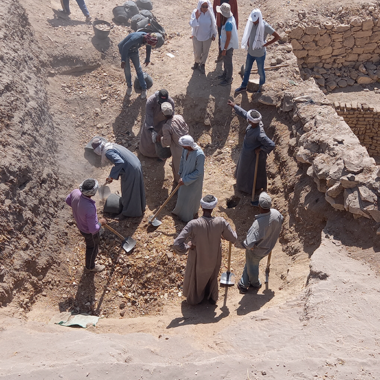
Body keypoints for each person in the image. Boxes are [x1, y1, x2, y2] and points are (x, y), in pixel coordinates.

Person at [173, 195, 237, 305]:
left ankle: (195, 300)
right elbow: (234, 238)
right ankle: (211, 297)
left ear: (202, 207)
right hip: (214, 258)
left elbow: (177, 243)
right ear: (213, 207)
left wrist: (187, 247)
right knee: (212, 276)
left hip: (198, 259)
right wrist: (222, 234)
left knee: (196, 278)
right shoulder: (221, 222)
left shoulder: (193, 224)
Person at [228, 100, 275, 199]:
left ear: (250, 121)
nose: (247, 119)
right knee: (243, 170)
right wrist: (235, 106)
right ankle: (241, 186)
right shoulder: (255, 123)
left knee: (250, 173)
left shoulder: (259, 133)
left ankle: (248, 190)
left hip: (253, 156)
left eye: (248, 119)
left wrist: (260, 148)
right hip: (246, 153)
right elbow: (245, 114)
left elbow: (271, 144)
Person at [237, 192, 283, 293]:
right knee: (250, 263)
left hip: (258, 251)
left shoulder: (257, 225)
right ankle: (242, 283)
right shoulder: (276, 213)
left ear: (259, 206)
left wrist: (250, 246)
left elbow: (248, 245)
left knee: (252, 264)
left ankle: (254, 284)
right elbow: (281, 220)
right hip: (269, 246)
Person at [91, 138, 146, 220]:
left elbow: (120, 162)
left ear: (97, 150)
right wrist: (112, 176)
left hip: (130, 170)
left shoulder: (108, 152)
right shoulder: (111, 145)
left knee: (128, 191)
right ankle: (140, 206)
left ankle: (128, 213)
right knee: (136, 188)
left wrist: (112, 175)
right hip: (135, 165)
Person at [235, 9, 280, 94]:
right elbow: (249, 33)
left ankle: (261, 89)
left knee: (260, 71)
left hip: (260, 54)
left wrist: (266, 44)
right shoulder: (251, 23)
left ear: (259, 18)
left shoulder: (265, 26)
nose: (254, 22)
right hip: (250, 52)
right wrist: (248, 41)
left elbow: (277, 36)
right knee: (247, 70)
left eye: (255, 21)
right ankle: (243, 86)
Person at [66, 179, 106, 273]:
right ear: (92, 193)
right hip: (88, 231)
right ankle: (90, 267)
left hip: (80, 225)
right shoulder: (90, 207)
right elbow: (93, 229)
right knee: (92, 247)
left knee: (92, 242)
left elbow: (68, 201)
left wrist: (79, 210)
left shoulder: (75, 192)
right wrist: (101, 222)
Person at [118, 32, 163, 99]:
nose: (148, 45)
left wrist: (147, 59)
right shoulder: (136, 38)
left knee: (138, 69)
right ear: (146, 41)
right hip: (125, 51)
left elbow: (148, 47)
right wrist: (123, 60)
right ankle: (129, 87)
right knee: (127, 71)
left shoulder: (148, 38)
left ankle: (144, 88)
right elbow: (125, 47)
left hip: (134, 50)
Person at [172, 135, 205, 222]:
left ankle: (188, 217)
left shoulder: (200, 155)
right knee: (182, 195)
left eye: (184, 146)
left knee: (190, 198)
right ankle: (179, 212)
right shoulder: (185, 150)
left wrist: (186, 179)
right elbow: (182, 160)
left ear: (189, 145)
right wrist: (181, 172)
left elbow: (199, 172)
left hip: (194, 181)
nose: (183, 147)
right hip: (184, 176)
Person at [139, 89, 175, 159]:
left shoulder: (171, 102)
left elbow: (171, 116)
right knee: (148, 139)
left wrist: (166, 128)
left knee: (160, 140)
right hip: (151, 122)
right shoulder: (151, 101)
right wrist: (152, 130)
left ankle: (159, 155)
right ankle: (145, 152)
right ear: (158, 97)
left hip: (162, 122)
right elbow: (148, 115)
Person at [159, 103, 190, 184]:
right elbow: (187, 128)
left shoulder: (166, 127)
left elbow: (167, 142)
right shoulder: (179, 117)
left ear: (163, 114)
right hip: (189, 145)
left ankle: (179, 186)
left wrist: (161, 139)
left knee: (179, 170)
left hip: (179, 151)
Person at [189, 1, 218, 75]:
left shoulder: (210, 13)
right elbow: (192, 24)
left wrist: (214, 34)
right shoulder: (196, 12)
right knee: (197, 51)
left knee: (205, 52)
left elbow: (213, 24)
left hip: (207, 36)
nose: (205, 8)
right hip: (197, 36)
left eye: (206, 6)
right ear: (200, 6)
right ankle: (196, 62)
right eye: (203, 6)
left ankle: (202, 64)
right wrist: (196, 18)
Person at [215, 3, 239, 86]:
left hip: (228, 47)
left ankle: (228, 79)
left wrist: (224, 49)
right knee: (225, 61)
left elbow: (228, 38)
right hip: (226, 45)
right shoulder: (228, 19)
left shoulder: (228, 23)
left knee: (228, 63)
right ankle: (225, 75)